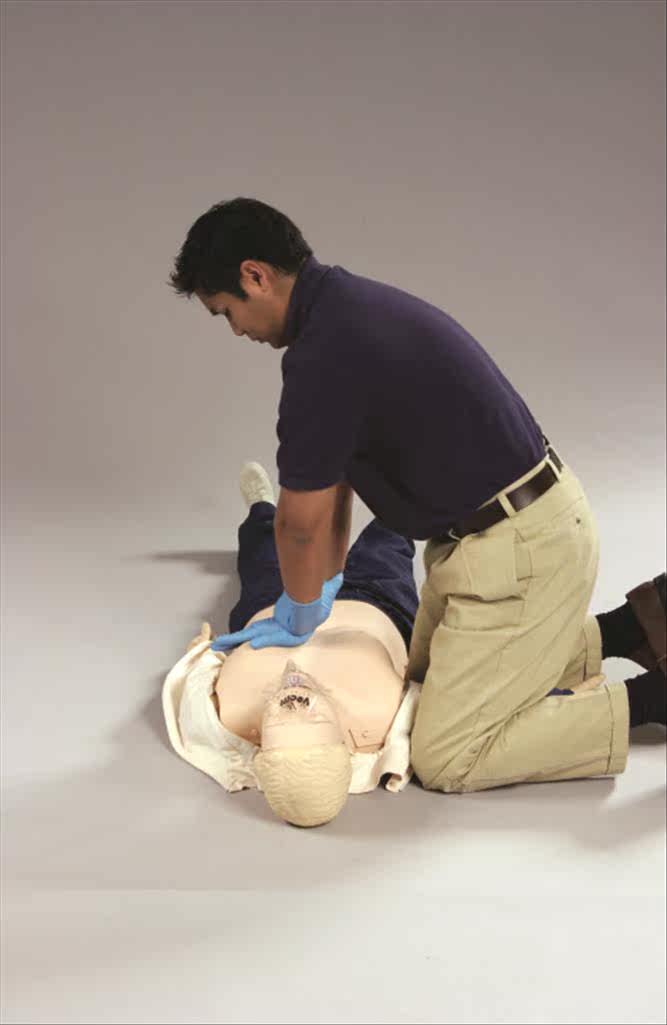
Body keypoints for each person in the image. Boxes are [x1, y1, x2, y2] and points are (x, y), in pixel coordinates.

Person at [167, 197, 666, 799]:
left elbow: (299, 524)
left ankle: (652, 700)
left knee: (448, 754)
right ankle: (631, 627)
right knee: (418, 683)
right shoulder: (348, 311)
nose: (236, 330)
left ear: (255, 276)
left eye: (226, 312)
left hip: (522, 551)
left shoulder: (324, 354)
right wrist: (323, 586)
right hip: (503, 539)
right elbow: (335, 487)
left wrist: (298, 609)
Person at [162, 462, 423, 827]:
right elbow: (429, 685)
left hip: (275, 606)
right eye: (313, 716)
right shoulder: (381, 724)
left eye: (279, 719)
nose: (294, 698)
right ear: (345, 747)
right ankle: (403, 484)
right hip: (375, 599)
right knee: (391, 536)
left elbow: (190, 684)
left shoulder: (230, 721)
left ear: (260, 747)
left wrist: (200, 654)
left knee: (262, 554)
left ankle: (261, 506)